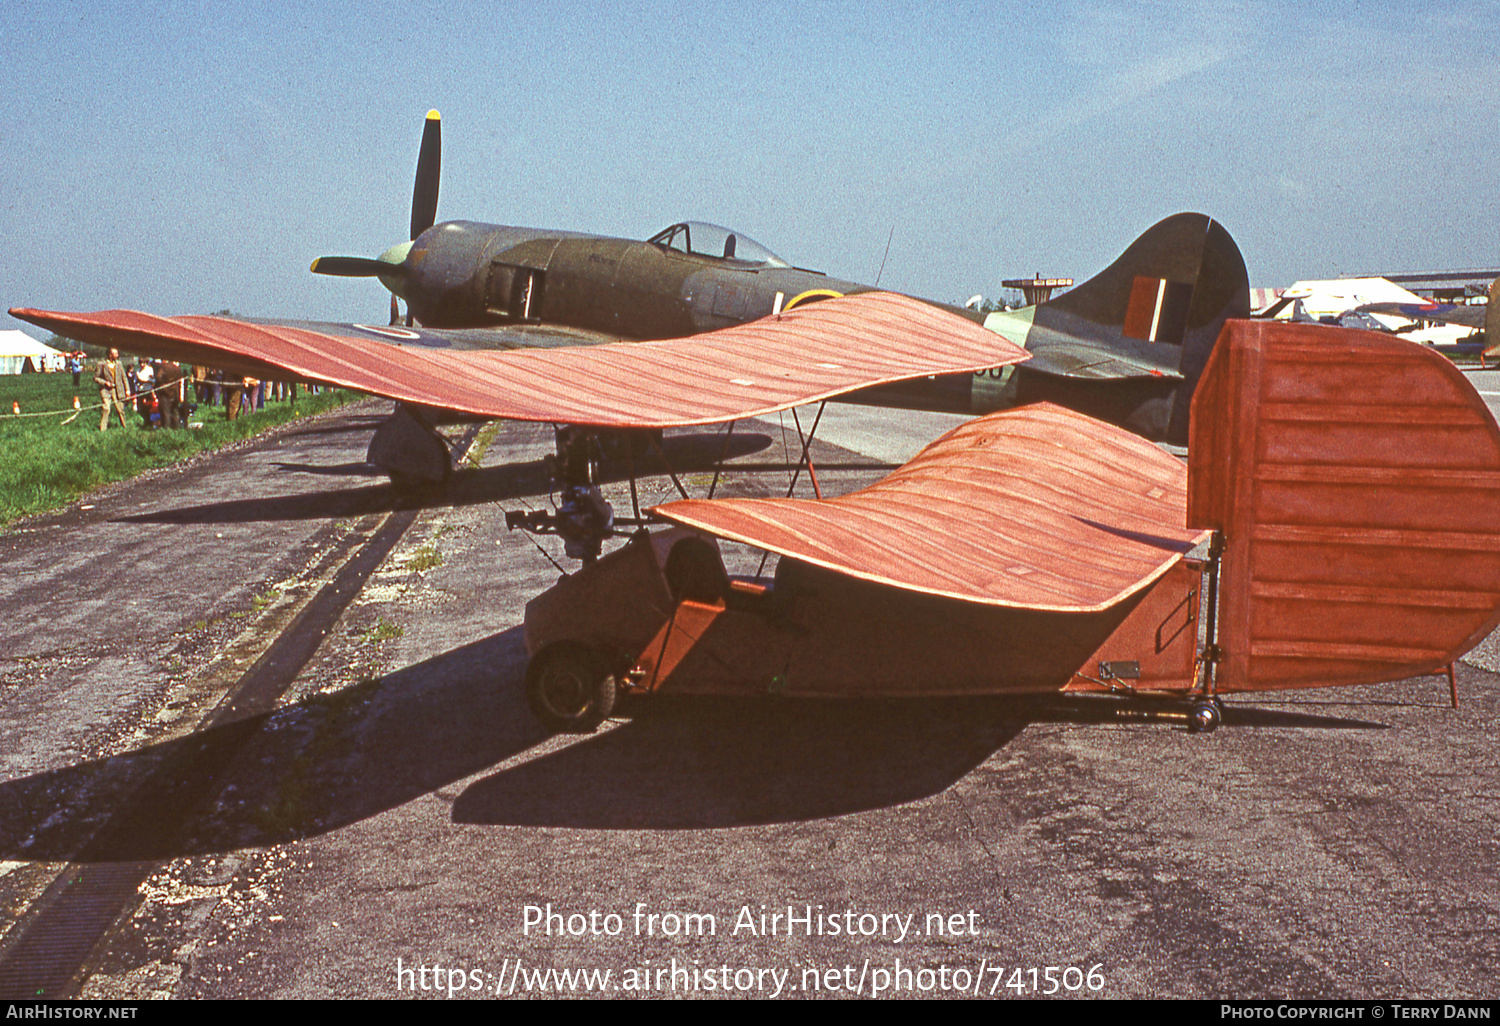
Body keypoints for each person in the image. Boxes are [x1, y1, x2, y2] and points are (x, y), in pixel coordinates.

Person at [94, 348, 129, 431]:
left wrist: (127, 389)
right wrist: (105, 383)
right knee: (106, 409)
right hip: (106, 390)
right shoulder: (101, 364)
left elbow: (124, 377)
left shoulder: (119, 364)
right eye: (115, 353)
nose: (117, 355)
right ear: (110, 355)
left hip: (118, 390)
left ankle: (125, 427)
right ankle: (103, 429)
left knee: (120, 409)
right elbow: (96, 377)